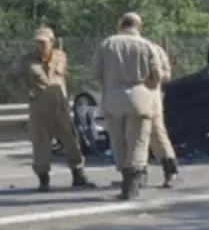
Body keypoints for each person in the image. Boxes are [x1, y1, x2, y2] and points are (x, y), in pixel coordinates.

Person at [9, 27, 94, 191]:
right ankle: (43, 179)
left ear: (52, 42)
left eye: (44, 42)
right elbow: (10, 77)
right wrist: (25, 91)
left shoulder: (60, 57)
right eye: (38, 42)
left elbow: (63, 78)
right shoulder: (26, 61)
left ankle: (79, 175)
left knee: (71, 141)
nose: (40, 45)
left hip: (60, 107)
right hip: (40, 107)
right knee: (40, 143)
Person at [92, 12, 163, 200]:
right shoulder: (146, 45)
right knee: (138, 142)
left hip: (112, 98)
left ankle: (124, 176)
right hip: (139, 97)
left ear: (120, 25)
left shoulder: (106, 44)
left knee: (118, 141)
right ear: (138, 26)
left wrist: (109, 84)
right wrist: (147, 86)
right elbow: (157, 75)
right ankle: (132, 184)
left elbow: (96, 72)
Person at [148, 40, 179, 188]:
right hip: (149, 96)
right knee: (155, 134)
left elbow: (165, 74)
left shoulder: (152, 48)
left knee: (157, 134)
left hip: (149, 95)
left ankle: (170, 169)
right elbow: (166, 74)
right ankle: (136, 174)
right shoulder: (154, 48)